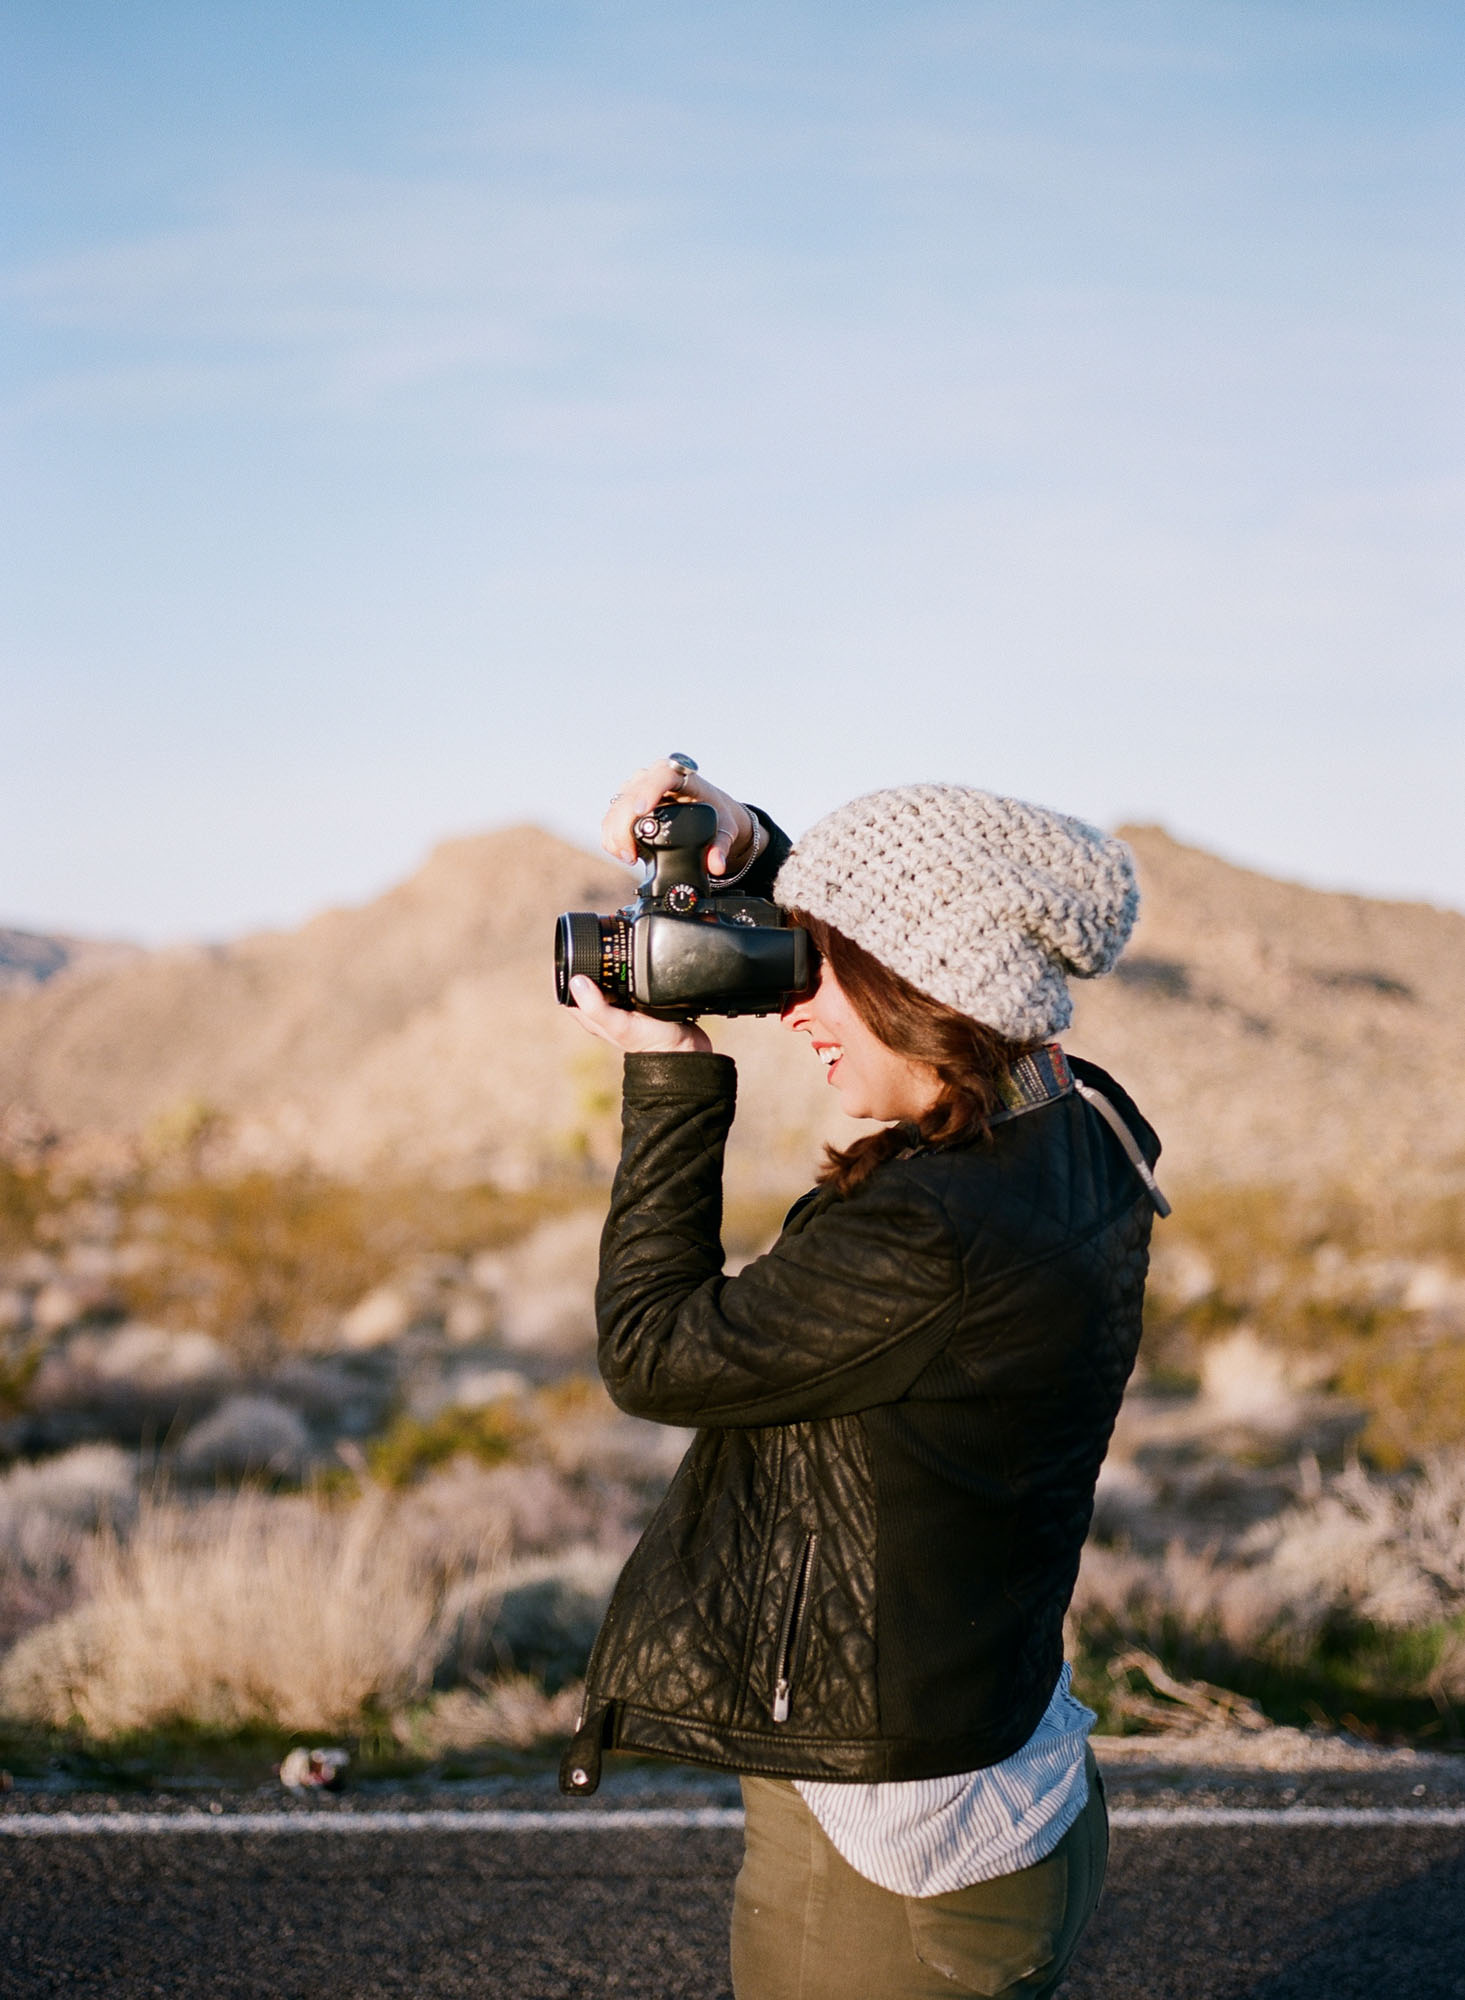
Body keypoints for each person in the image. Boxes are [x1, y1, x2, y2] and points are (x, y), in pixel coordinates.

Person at [565, 755, 1164, 2000]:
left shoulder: (932, 1233)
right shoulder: (1072, 1129)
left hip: (890, 1861)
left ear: (925, 981)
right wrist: (743, 842)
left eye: (813, 963)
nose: (788, 1003)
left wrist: (667, 1072)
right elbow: (918, 915)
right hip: (999, 1765)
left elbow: (653, 1346)